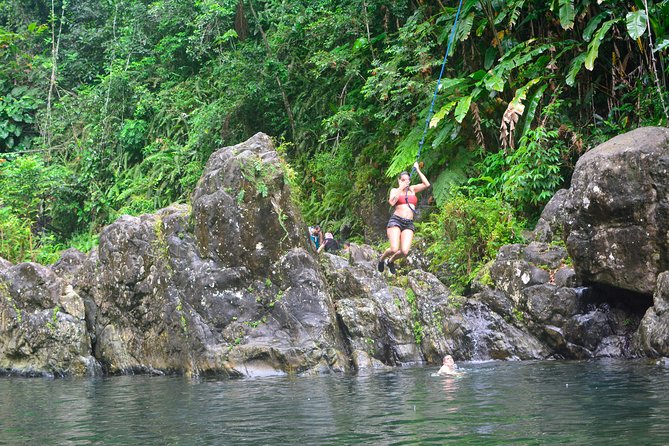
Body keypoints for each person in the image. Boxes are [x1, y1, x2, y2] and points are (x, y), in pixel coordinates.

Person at [378, 161, 430, 274]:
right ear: (399, 181)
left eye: (407, 180)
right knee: (394, 248)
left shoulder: (413, 189)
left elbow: (427, 184)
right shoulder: (394, 190)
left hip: (408, 223)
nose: (405, 182)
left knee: (405, 251)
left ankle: (390, 261)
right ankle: (382, 259)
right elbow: (392, 202)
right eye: (403, 180)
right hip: (396, 221)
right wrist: (401, 188)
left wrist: (418, 170)